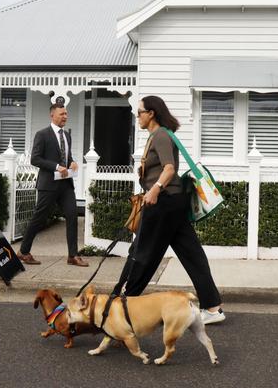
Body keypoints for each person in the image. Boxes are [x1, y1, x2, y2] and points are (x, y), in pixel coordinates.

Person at [111, 95, 225, 324]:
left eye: (140, 112)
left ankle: (121, 307)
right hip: (173, 203)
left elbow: (169, 169)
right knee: (191, 254)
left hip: (163, 202)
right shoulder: (157, 135)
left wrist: (154, 189)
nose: (138, 116)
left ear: (151, 113)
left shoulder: (161, 135)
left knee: (141, 254)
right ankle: (213, 309)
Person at [17, 103, 89, 267]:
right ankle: (24, 251)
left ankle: (73, 255)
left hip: (66, 185)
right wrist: (56, 167)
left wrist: (72, 163)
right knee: (39, 218)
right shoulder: (42, 134)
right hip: (48, 184)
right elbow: (35, 159)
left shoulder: (67, 136)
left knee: (72, 216)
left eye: (66, 114)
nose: (65, 116)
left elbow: (67, 157)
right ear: (52, 115)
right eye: (62, 114)